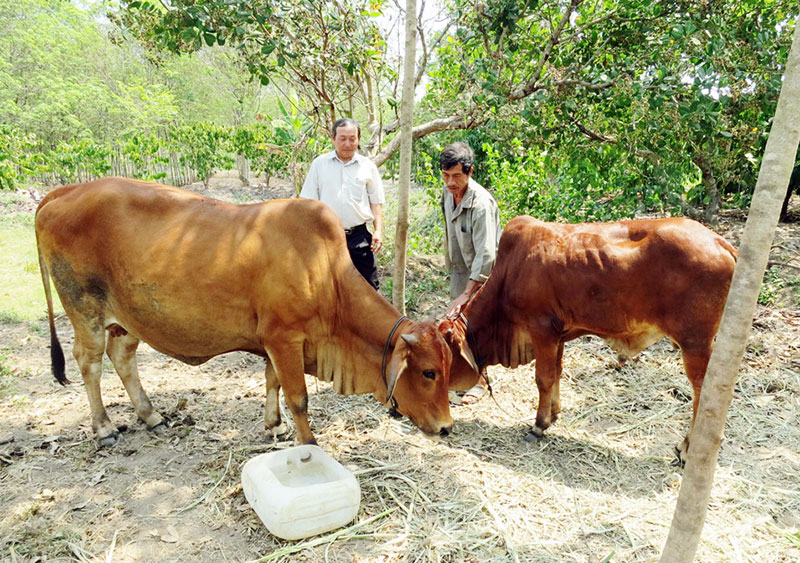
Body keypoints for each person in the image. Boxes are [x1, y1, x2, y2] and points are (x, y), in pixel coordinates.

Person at [440, 142, 501, 404]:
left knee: (477, 327)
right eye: (445, 175)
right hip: (460, 269)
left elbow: (487, 255)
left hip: (483, 274)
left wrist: (468, 292)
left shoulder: (481, 204)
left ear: (470, 172)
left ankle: (481, 381)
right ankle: (462, 375)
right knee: (457, 326)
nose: (450, 182)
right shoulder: (446, 193)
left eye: (456, 176)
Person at [300, 118, 384, 289]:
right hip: (326, 238)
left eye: (352, 139)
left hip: (359, 238)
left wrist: (378, 231)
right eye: (342, 139)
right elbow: (307, 203)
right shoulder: (319, 164)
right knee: (328, 288)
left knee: (369, 289)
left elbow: (376, 202)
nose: (348, 144)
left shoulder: (367, 166)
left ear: (359, 139)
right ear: (333, 138)